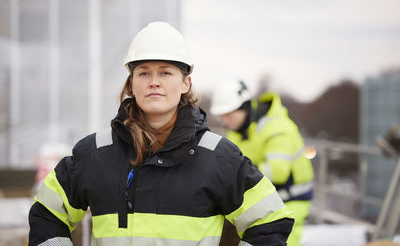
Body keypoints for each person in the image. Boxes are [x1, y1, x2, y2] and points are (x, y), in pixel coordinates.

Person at [28, 22, 294, 246]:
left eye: (165, 72)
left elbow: (270, 222)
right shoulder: (95, 154)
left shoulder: (219, 159)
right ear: (132, 83)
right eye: (143, 72)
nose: (154, 81)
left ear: (185, 83)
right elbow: (47, 215)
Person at [210, 80, 314, 246]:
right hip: (261, 199)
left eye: (228, 115)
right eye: (222, 116)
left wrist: (238, 175)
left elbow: (278, 172)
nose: (225, 122)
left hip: (290, 201)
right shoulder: (237, 132)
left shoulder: (278, 127)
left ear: (244, 108)